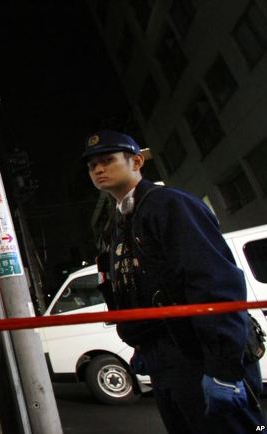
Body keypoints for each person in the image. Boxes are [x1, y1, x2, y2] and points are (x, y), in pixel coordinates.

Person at [83, 130, 265, 433]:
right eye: (92, 166)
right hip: (164, 358)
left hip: (200, 352)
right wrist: (141, 345)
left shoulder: (169, 204)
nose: (98, 169)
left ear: (136, 162)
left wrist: (222, 367)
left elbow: (214, 282)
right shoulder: (119, 222)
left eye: (108, 160)